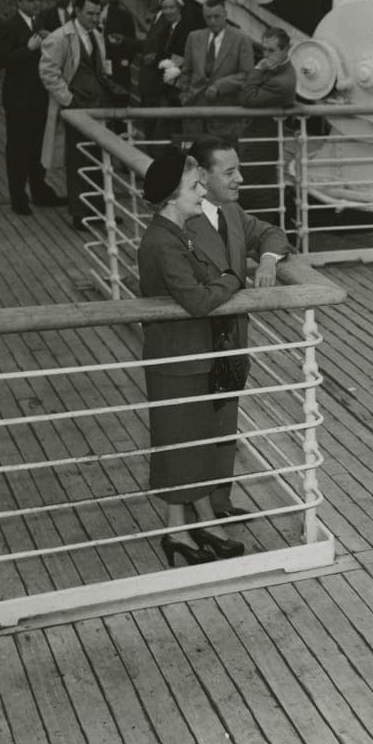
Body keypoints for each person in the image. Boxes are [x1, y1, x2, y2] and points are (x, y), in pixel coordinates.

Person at [136, 148, 248, 565]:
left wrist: (220, 282)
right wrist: (234, 280)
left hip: (194, 356)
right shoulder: (163, 243)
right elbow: (199, 299)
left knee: (193, 444)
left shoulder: (180, 232)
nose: (204, 192)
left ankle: (197, 525)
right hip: (177, 361)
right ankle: (177, 533)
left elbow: (203, 283)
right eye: (195, 186)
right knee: (178, 445)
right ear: (170, 197)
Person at [186, 135, 294, 522]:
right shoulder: (179, 218)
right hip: (196, 343)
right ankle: (194, 511)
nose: (240, 179)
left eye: (239, 170)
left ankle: (219, 503)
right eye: (229, 172)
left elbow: (269, 233)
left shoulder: (230, 212)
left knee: (224, 423)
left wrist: (266, 261)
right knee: (192, 428)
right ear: (201, 174)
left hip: (231, 342)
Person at [38, 0, 117, 232]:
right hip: (77, 111)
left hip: (99, 109)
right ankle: (80, 212)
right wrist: (69, 100)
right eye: (90, 13)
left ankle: (101, 210)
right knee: (78, 160)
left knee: (101, 160)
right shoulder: (60, 37)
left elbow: (100, 68)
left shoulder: (96, 35)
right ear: (78, 11)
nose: (95, 18)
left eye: (97, 14)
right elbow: (48, 73)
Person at [0, 0, 65, 216]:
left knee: (36, 146)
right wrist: (29, 48)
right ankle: (18, 197)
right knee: (18, 148)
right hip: (18, 98)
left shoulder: (39, 22)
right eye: (30, 0)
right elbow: (0, 61)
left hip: (39, 95)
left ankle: (39, 190)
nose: (36, 4)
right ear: (18, 2)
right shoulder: (8, 25)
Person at [239, 26, 299, 228]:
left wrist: (257, 69)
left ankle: (262, 239)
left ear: (285, 50)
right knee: (257, 190)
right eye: (264, 50)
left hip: (261, 143)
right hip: (257, 139)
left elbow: (247, 97)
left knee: (255, 192)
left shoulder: (281, 81)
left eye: (271, 50)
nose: (265, 56)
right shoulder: (276, 71)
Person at [178, 0, 255, 140]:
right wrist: (184, 95)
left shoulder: (242, 39)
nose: (212, 21)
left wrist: (220, 86)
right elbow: (186, 71)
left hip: (225, 115)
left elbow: (247, 74)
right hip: (194, 113)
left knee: (222, 159)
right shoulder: (193, 37)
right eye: (208, 17)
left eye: (216, 16)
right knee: (192, 158)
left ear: (225, 14)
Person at [139, 0, 191, 141]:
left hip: (178, 87)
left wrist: (159, 60)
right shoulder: (167, 28)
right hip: (165, 87)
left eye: (171, 7)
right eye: (165, 8)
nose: (168, 11)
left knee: (174, 131)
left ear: (179, 8)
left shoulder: (186, 28)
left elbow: (184, 55)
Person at [91, 0, 139, 115]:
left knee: (119, 114)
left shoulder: (123, 15)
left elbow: (132, 44)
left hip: (117, 73)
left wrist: (121, 61)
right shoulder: (82, 15)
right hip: (92, 73)